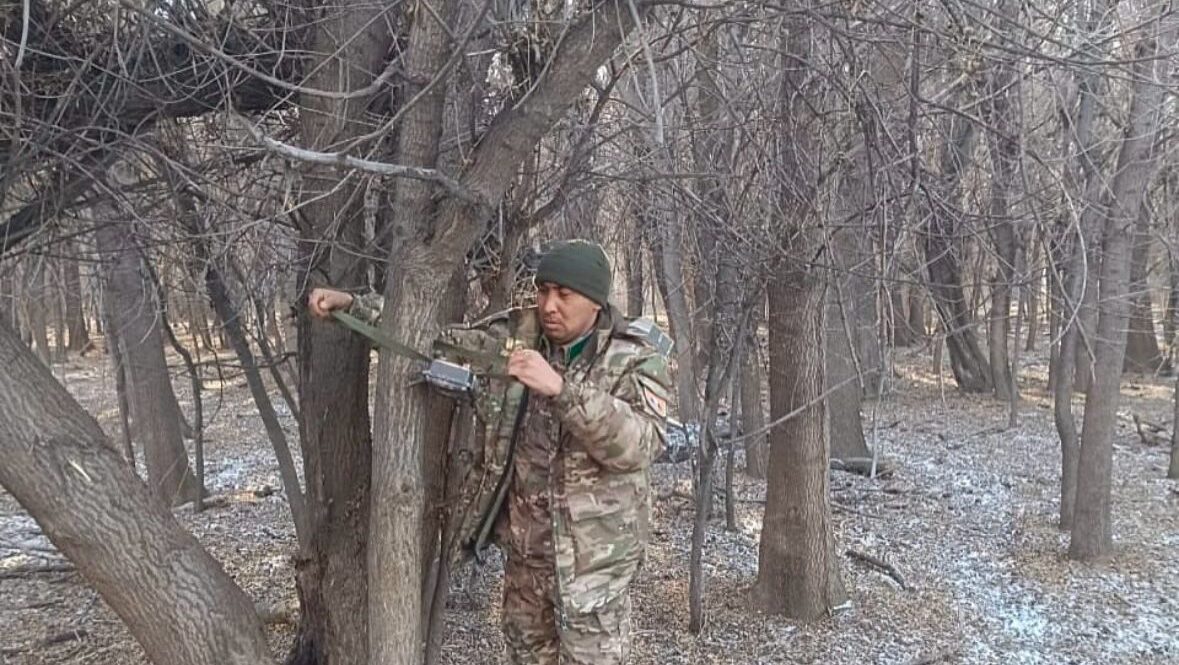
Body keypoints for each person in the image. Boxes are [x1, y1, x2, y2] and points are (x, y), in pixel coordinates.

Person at [307, 239, 671, 665]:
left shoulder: (632, 358)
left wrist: (562, 390)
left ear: (595, 301)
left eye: (564, 294)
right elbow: (440, 341)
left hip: (595, 573)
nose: (549, 305)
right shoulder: (518, 337)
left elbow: (641, 444)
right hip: (525, 564)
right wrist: (353, 306)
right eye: (543, 291)